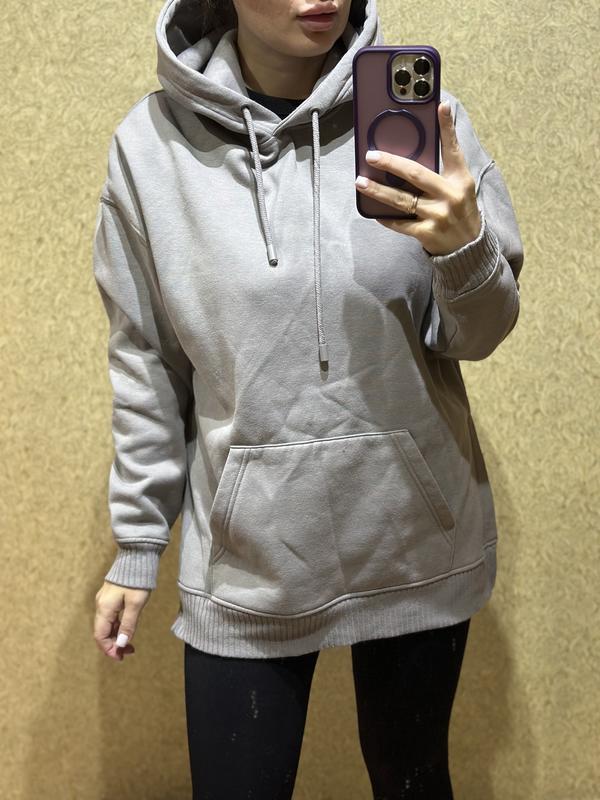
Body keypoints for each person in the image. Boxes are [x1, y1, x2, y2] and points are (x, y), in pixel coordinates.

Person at [92, 0, 524, 797]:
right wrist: (138, 542)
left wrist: (464, 246)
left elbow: (481, 333)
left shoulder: (424, 118)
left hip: (412, 544)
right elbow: (148, 362)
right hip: (250, 562)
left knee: (414, 782)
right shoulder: (152, 149)